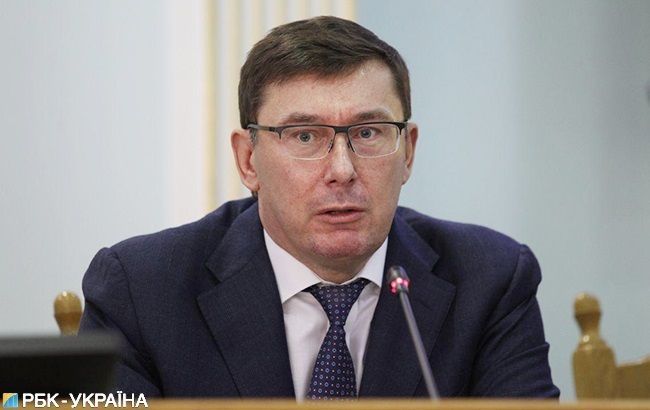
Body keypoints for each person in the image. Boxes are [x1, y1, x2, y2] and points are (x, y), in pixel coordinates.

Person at [80, 16, 560, 399]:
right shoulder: (141, 289)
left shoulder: (490, 279)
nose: (342, 170)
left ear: (408, 151)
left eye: (368, 133)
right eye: (305, 136)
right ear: (248, 160)